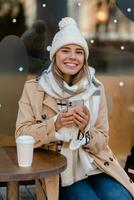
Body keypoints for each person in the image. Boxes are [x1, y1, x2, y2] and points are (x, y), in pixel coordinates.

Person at [15, 17, 134, 200]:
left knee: (121, 197)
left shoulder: (96, 89)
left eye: (79, 52)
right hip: (60, 170)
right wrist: (55, 124)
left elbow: (102, 139)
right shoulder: (35, 89)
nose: (72, 57)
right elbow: (21, 134)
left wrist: (85, 130)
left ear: (84, 58)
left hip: (96, 164)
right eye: (65, 50)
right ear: (55, 55)